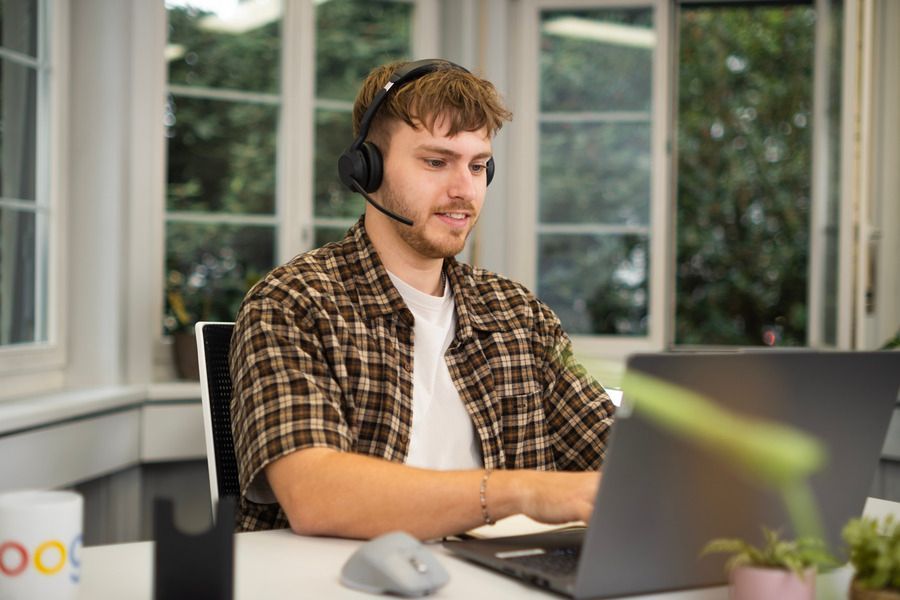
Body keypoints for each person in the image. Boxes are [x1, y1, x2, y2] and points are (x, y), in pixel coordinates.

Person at [229, 58, 615, 541]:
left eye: (477, 166)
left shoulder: (518, 314)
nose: (464, 190)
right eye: (436, 162)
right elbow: (314, 494)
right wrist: (522, 492)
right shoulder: (294, 302)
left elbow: (618, 457)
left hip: (503, 580)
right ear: (366, 169)